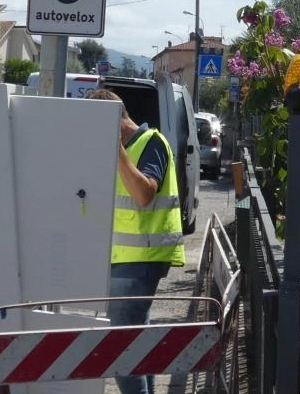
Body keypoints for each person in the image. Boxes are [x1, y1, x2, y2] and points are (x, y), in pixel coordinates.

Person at [87, 88, 185, 394]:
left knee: (120, 344)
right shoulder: (120, 149)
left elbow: (144, 194)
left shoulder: (151, 143)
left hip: (142, 256)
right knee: (134, 339)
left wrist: (116, 151)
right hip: (124, 256)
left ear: (113, 120)